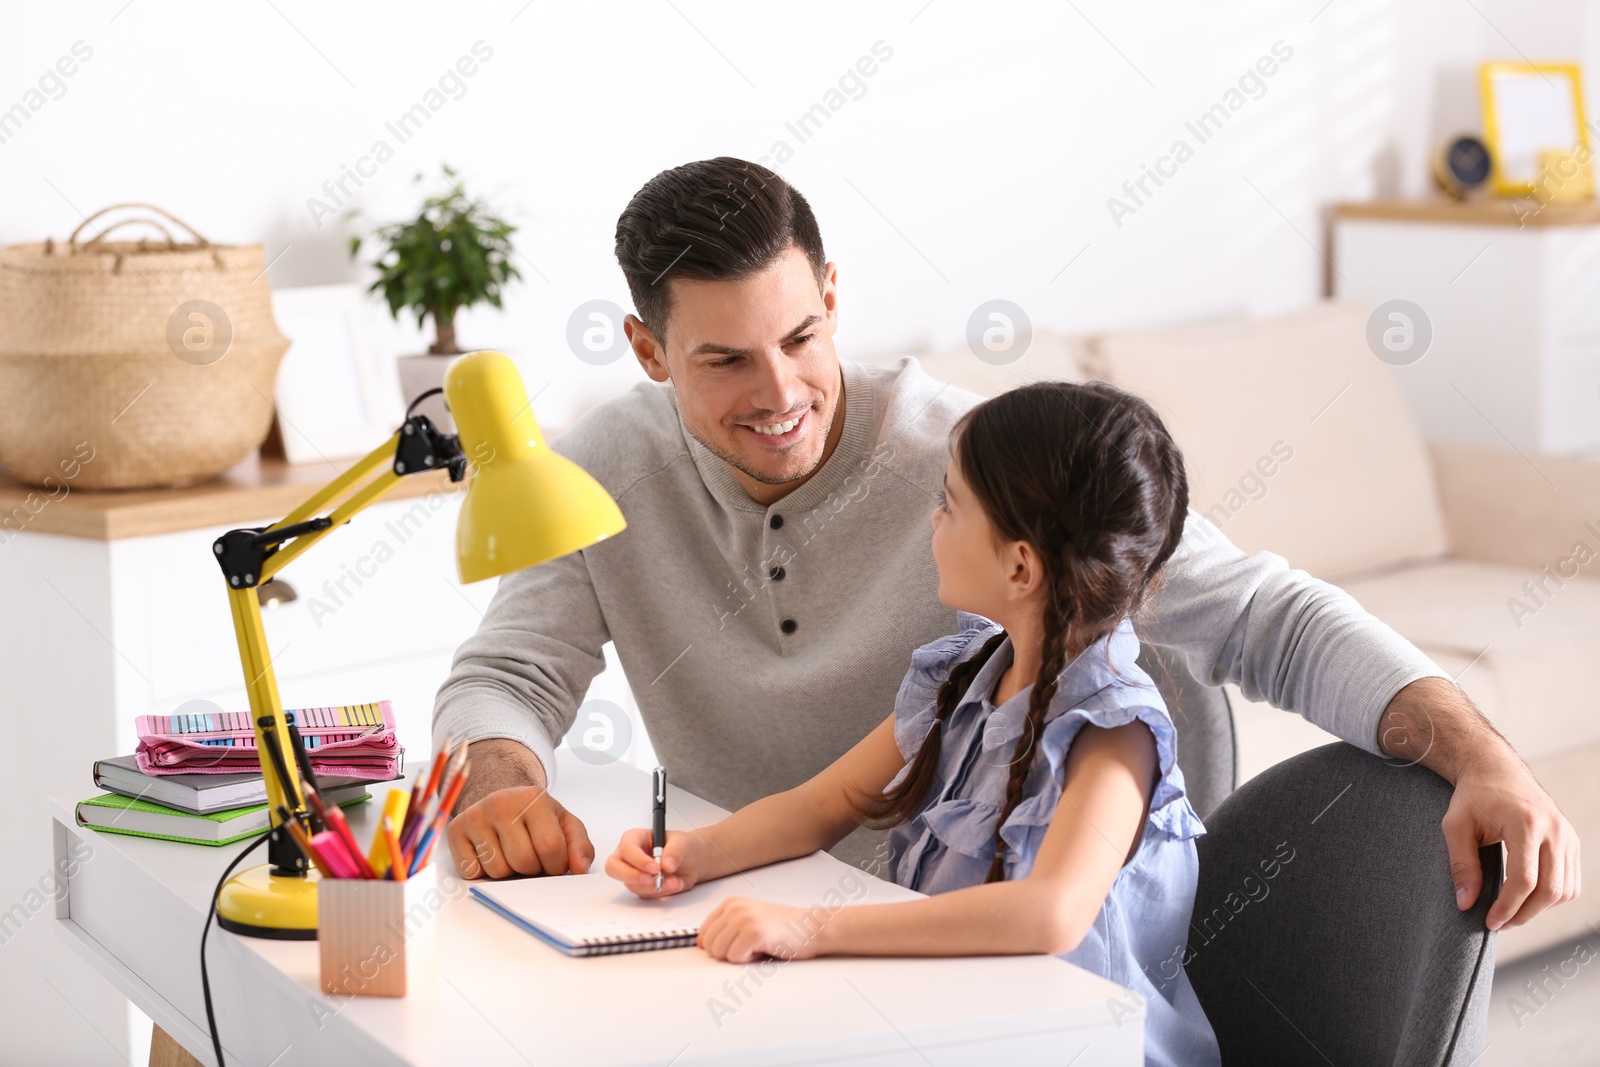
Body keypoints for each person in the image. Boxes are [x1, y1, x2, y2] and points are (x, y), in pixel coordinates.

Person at [437, 156, 1578, 938]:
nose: (781, 392)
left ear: (833, 295)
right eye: (723, 360)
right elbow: (508, 672)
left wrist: (1483, 754)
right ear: (646, 349)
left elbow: (1261, 613)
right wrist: (499, 779)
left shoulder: (982, 467)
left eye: (801, 335)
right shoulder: (596, 468)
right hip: (745, 909)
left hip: (948, 945)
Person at [606, 379, 1223, 1066]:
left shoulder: (1115, 734)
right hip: (951, 1027)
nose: (933, 521)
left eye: (950, 505)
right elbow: (823, 803)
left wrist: (812, 928)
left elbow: (1049, 912)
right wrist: (697, 854)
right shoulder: (964, 675)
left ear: (1019, 565)